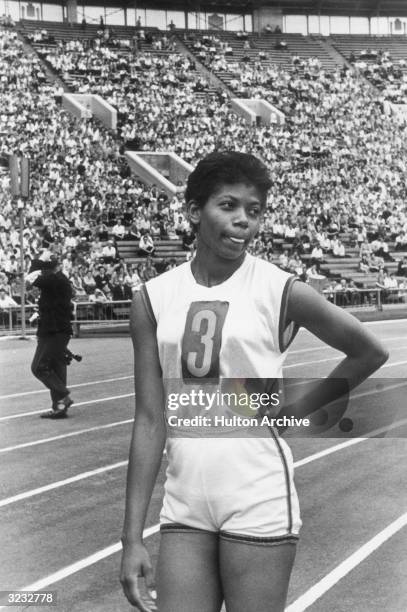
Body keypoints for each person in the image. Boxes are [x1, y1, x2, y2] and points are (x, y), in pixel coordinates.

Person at [120, 152, 388, 612]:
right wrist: (130, 539)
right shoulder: (152, 299)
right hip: (184, 502)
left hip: (257, 494)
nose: (243, 219)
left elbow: (369, 350)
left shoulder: (279, 288)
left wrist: (300, 409)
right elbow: (149, 420)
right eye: (228, 205)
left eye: (255, 210)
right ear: (193, 211)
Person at [26, 257, 74, 419]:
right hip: (57, 331)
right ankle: (59, 408)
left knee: (39, 367)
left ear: (46, 270)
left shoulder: (55, 279)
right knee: (56, 368)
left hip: (53, 332)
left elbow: (32, 278)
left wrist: (35, 270)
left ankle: (63, 395)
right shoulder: (58, 281)